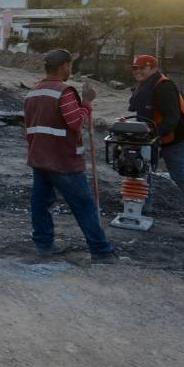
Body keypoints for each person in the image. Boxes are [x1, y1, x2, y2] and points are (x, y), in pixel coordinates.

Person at [24, 48, 117, 263]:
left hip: (39, 158)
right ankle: (101, 251)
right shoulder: (64, 92)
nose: (70, 70)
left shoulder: (34, 92)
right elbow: (75, 122)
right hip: (63, 161)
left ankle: (44, 245)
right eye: (70, 66)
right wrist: (87, 103)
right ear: (64, 65)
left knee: (40, 205)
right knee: (84, 206)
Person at [127, 55, 184, 223]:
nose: (138, 71)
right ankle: (145, 205)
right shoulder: (143, 86)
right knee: (143, 170)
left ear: (154, 68)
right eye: (135, 68)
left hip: (177, 139)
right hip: (155, 136)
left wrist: (154, 136)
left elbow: (172, 118)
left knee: (179, 175)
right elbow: (136, 109)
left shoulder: (164, 87)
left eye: (142, 68)